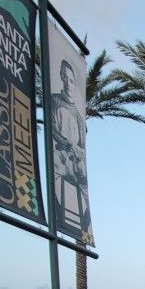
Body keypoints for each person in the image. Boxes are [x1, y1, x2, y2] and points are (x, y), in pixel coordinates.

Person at [51, 57, 93, 245]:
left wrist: (79, 153)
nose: (68, 83)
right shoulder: (54, 101)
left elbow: (82, 144)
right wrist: (65, 144)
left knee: (83, 189)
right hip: (60, 155)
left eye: (71, 79)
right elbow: (52, 129)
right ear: (61, 77)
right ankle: (59, 218)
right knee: (56, 181)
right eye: (65, 78)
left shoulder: (77, 112)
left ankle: (83, 227)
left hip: (76, 159)